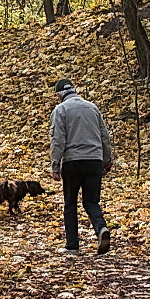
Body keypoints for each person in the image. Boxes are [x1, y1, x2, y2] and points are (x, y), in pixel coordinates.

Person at [47, 78, 116, 257]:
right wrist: (107, 159)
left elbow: (58, 140)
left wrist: (55, 165)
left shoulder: (60, 110)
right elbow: (104, 136)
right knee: (91, 201)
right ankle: (101, 229)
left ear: (59, 94)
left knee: (70, 203)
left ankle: (72, 246)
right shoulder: (93, 108)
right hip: (94, 160)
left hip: (73, 161)